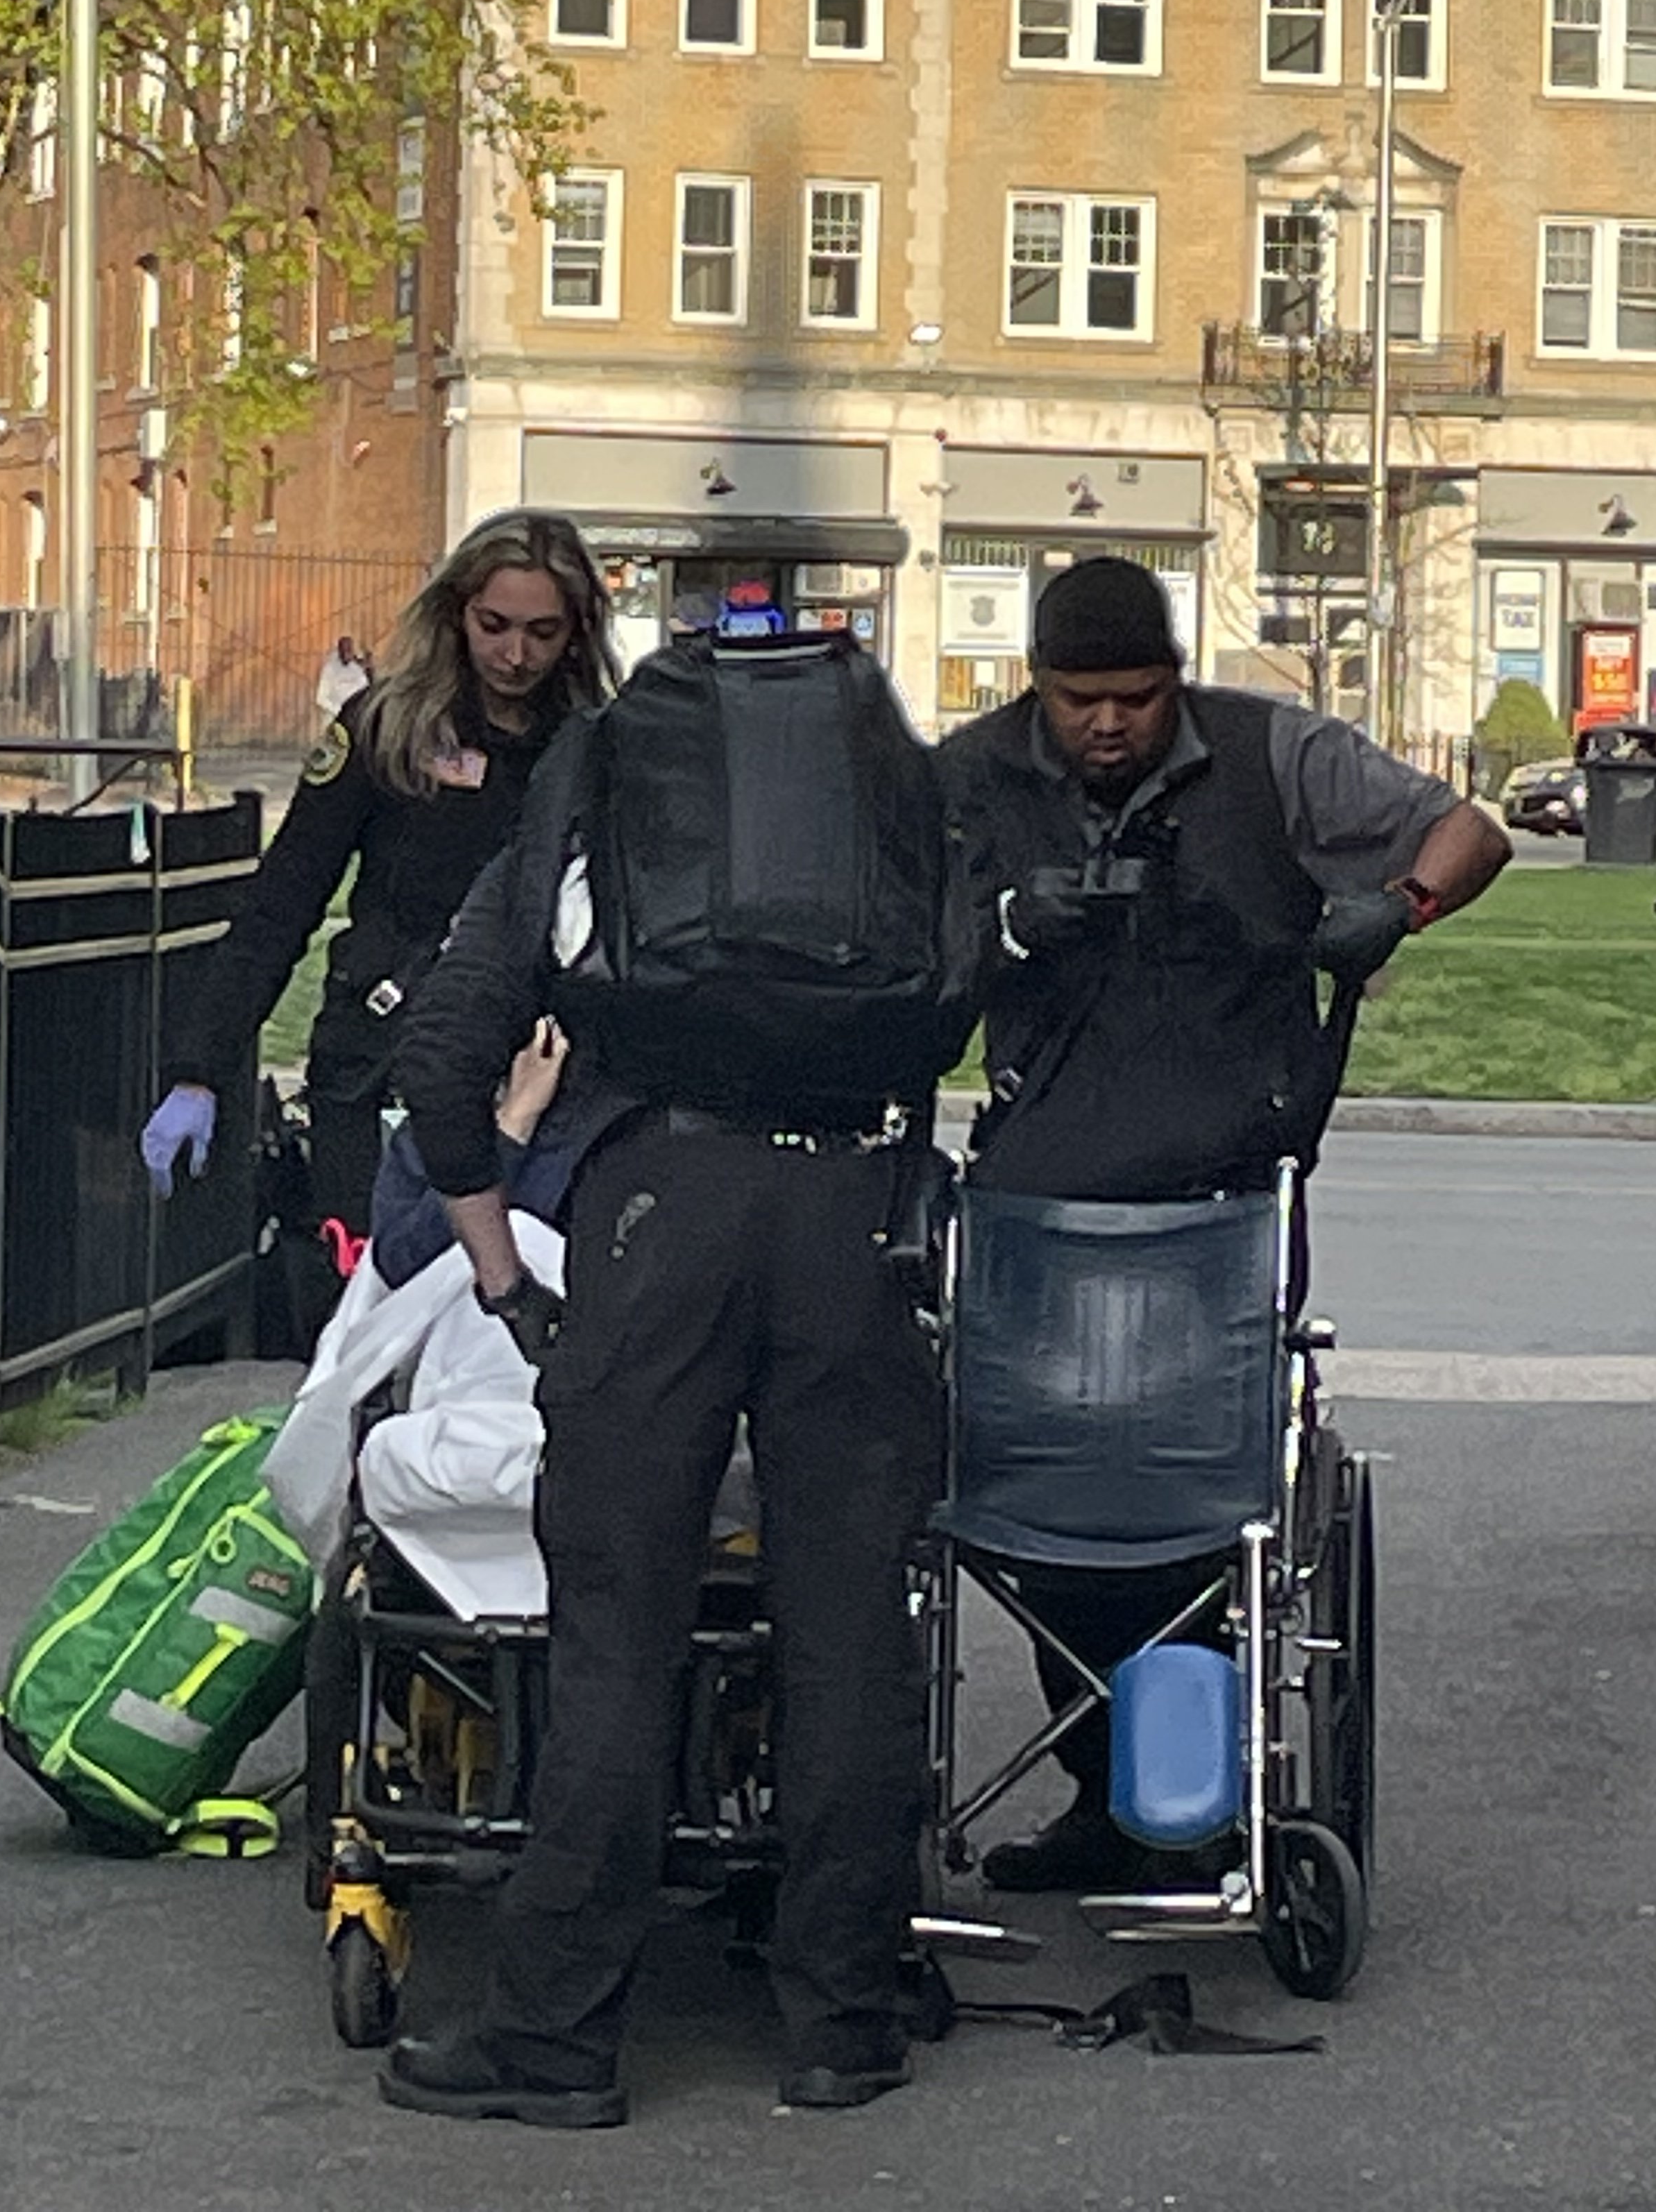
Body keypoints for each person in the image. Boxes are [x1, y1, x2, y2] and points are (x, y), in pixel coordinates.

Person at [372, 642, 963, 2129]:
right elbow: (965, 983)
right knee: (850, 1627)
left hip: (659, 1213)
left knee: (616, 1630)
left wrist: (501, 1276)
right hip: (855, 1208)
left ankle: (557, 2033)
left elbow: (444, 1054)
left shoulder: (594, 784)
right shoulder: (890, 784)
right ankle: (843, 2018)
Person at [938, 552, 1510, 1892]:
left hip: (1222, 1184)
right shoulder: (964, 776)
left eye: (1137, 697)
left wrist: (1395, 908)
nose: (1107, 724)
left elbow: (1467, 832)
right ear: (1034, 684)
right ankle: (1114, 1787)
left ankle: (1189, 1789)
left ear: (1174, 680)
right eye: (1079, 700)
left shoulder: (1269, 752)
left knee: (1198, 1512)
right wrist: (1007, 926)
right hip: (1041, 1189)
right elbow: (897, 944)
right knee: (1041, 1506)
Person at [138, 513, 616, 1250]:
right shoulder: (385, 728)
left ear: (576, 633)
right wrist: (200, 1068)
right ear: (457, 613)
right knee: (373, 1280)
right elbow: (282, 902)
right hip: (382, 1053)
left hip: (538, 1071)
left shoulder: (599, 749)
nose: (516, 655)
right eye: (494, 626)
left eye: (542, 633)